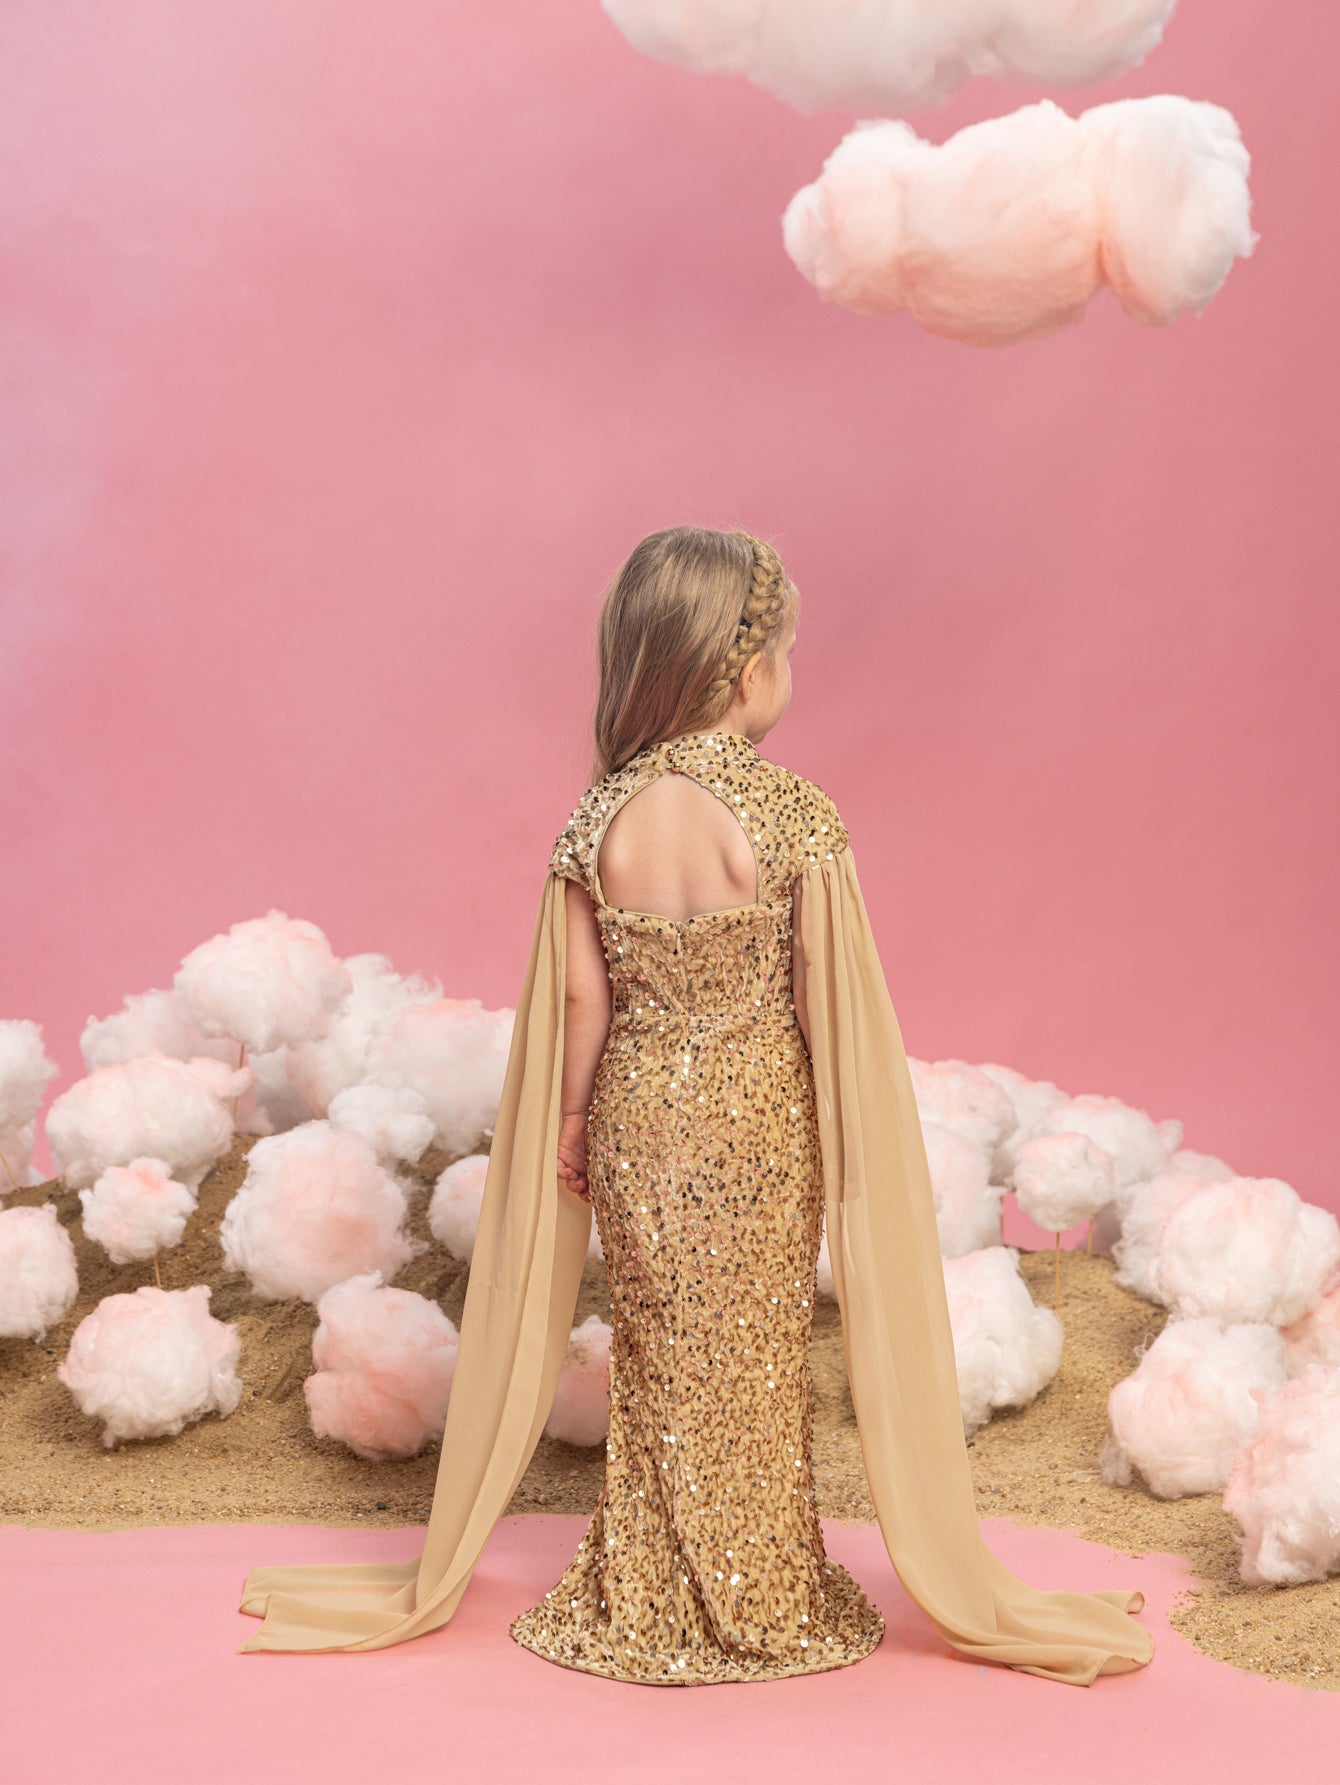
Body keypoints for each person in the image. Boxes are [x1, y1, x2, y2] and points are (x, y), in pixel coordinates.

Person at [236, 526, 1155, 1687]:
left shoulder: (599, 819)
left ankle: (652, 1592)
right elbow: (824, 995)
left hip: (637, 1120)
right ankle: (762, 1589)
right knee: (757, 1359)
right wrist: (847, 1126)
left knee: (660, 1356)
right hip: (759, 1119)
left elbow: (580, 998)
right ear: (744, 666)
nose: (789, 671)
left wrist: (573, 1124)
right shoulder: (790, 816)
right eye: (786, 650)